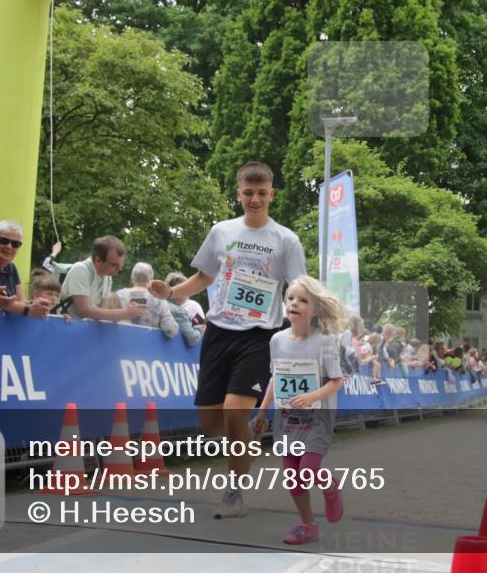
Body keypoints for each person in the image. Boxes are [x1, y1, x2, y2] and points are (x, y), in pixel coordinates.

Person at [148, 161, 307, 519]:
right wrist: (170, 292)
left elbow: (298, 289)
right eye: (248, 193)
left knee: (234, 411)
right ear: (238, 194)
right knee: (211, 424)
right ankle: (243, 437)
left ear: (272, 194)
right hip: (218, 332)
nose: (255, 199)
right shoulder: (222, 231)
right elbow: (203, 278)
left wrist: (300, 332)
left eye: (261, 193)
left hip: (260, 335)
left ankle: (234, 492)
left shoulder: (286, 239)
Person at [252, 275, 346, 544]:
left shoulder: (325, 341)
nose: (294, 303)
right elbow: (275, 378)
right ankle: (307, 525)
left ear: (315, 309)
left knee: (307, 470)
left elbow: (337, 381)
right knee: (292, 477)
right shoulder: (277, 340)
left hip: (317, 417)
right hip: (288, 417)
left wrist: (311, 396)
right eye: (290, 298)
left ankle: (330, 486)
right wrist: (262, 412)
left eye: (303, 300)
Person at [58, 236, 146, 322]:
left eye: (121, 264)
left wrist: (128, 311)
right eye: (114, 265)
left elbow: (103, 313)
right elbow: (84, 311)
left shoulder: (107, 278)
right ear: (98, 260)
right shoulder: (80, 270)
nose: (119, 269)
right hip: (63, 326)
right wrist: (124, 313)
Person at [116, 262, 180, 338]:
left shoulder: (119, 295)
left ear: (132, 276)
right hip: (149, 343)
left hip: (122, 340)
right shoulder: (159, 299)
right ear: (151, 278)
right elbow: (170, 329)